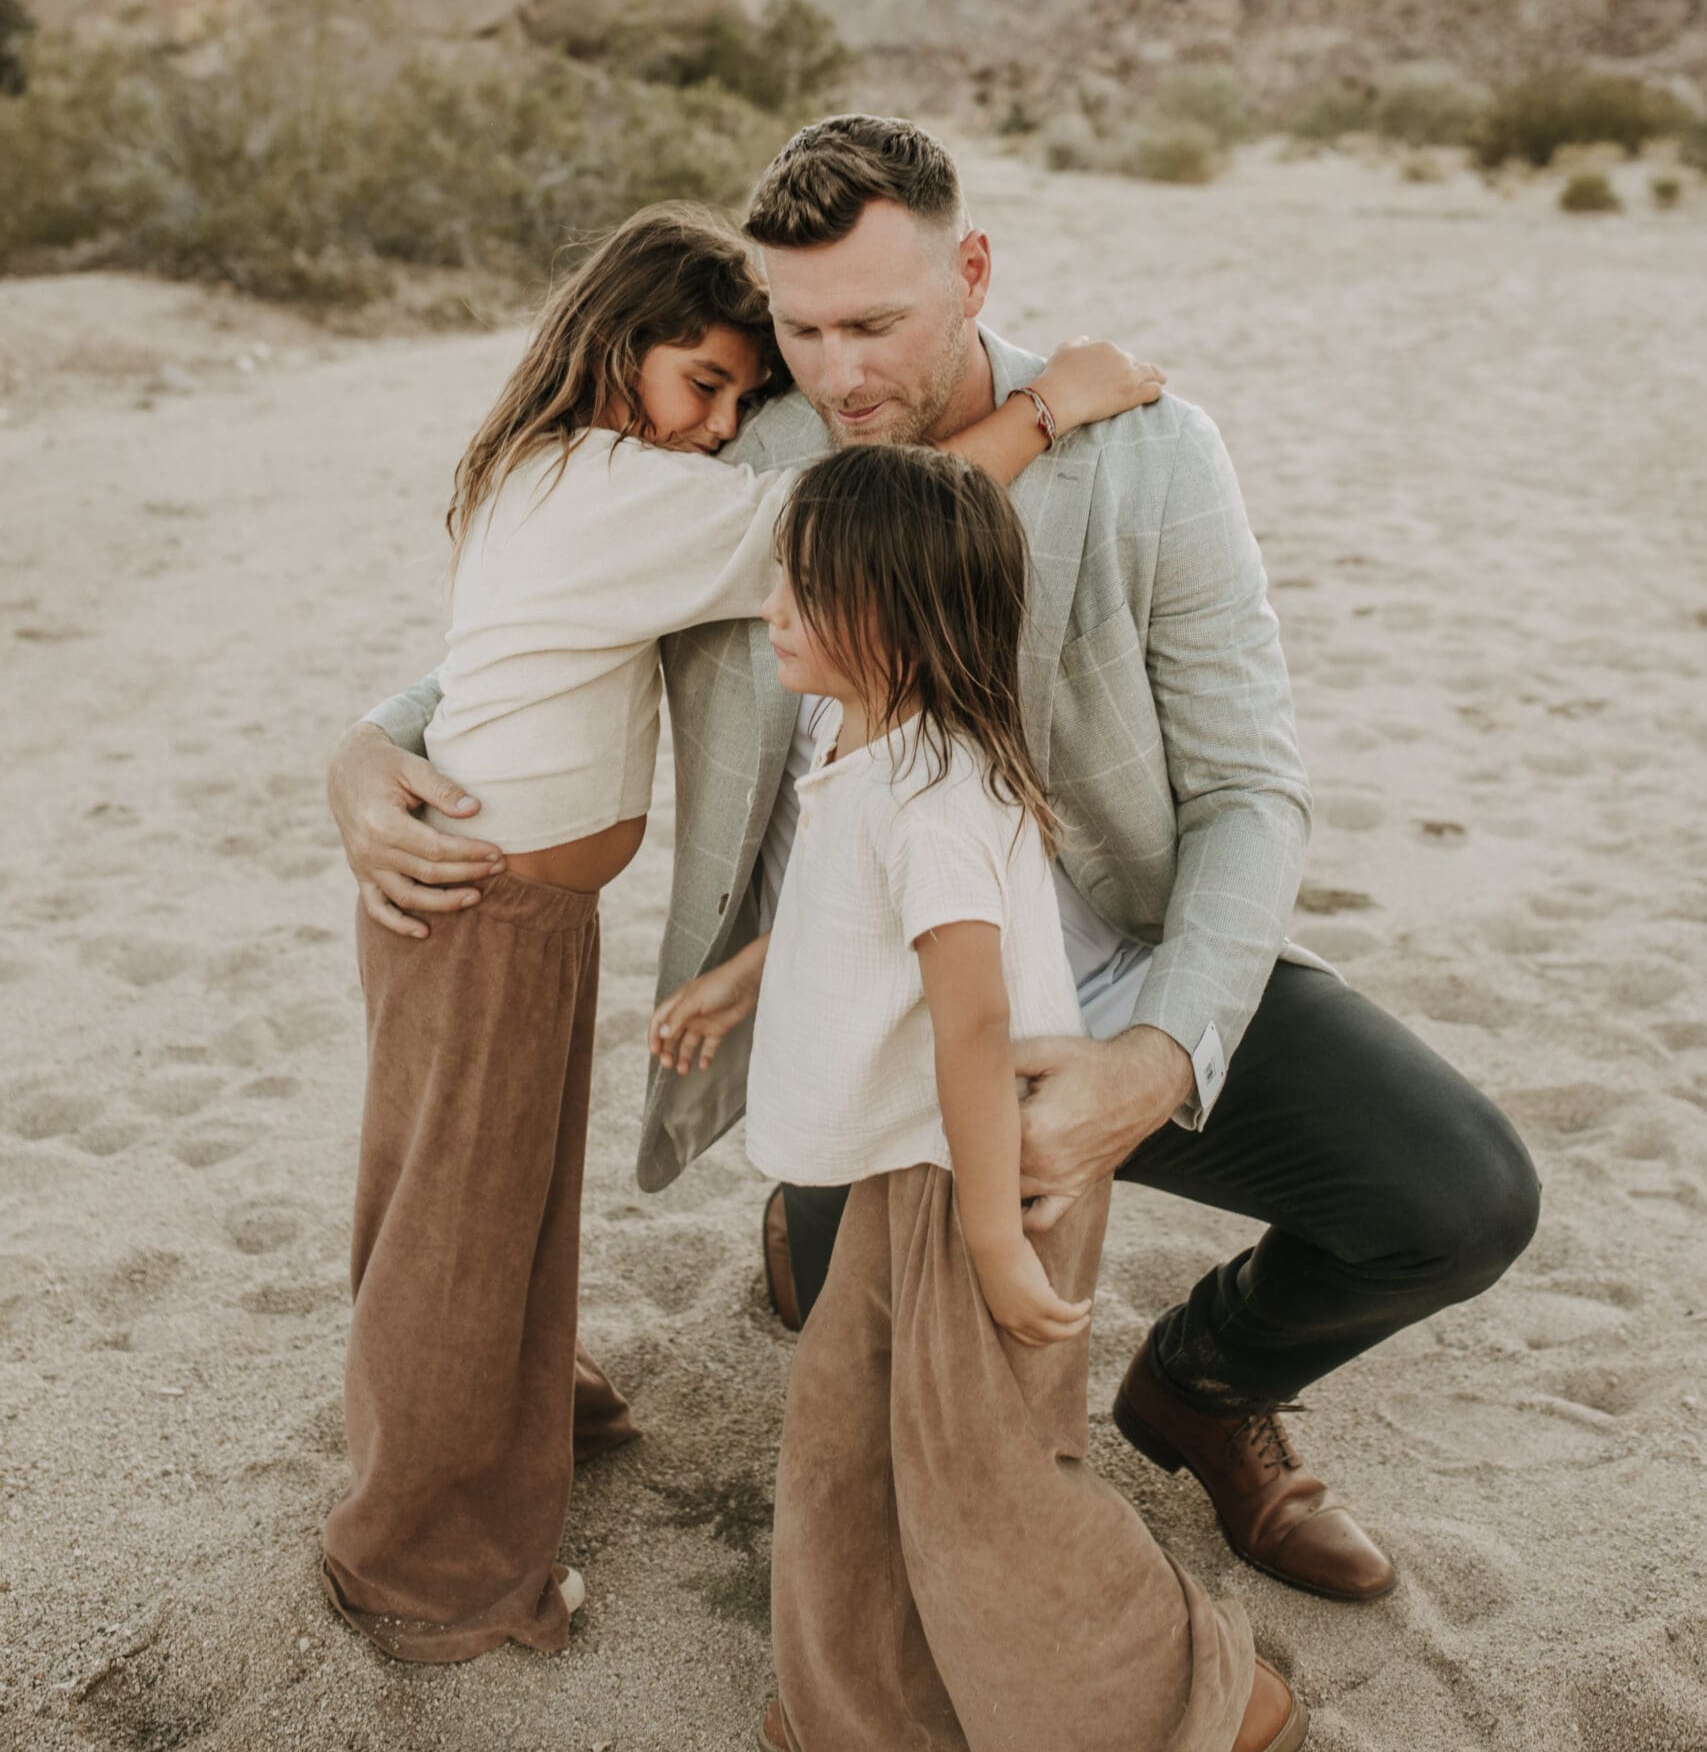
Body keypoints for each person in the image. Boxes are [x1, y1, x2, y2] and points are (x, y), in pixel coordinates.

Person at [330, 114, 1541, 1617]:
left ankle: (1205, 1387)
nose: (840, 375)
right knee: (892, 1411)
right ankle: (807, 1224)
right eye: (801, 329)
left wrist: (1161, 1053)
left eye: (877, 325)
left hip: (1119, 963)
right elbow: (542, 603)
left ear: (970, 271)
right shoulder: (751, 445)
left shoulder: (1153, 453)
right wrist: (374, 740)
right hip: (876, 1021)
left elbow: (1249, 788)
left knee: (1466, 1197)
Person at [319, 197, 1160, 1662]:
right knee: (458, 1217)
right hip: (488, 902)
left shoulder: (555, 469)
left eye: (732, 396)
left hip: (508, 898)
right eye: (701, 384)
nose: (714, 425)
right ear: (610, 344)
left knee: (484, 1190)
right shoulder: (606, 487)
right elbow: (860, 544)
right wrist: (1051, 403)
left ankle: (508, 1402)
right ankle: (425, 1568)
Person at [647, 443, 1306, 1752]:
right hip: (909, 1168)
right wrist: (743, 973)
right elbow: (847, 913)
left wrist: (1000, 1239)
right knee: (848, 1429)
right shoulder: (863, 743)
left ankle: (1189, 1708)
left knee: (984, 1478)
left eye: (807, 586)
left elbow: (974, 1030)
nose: (773, 605)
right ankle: (878, 1694)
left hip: (972, 1176)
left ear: (897, 615)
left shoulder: (943, 800)